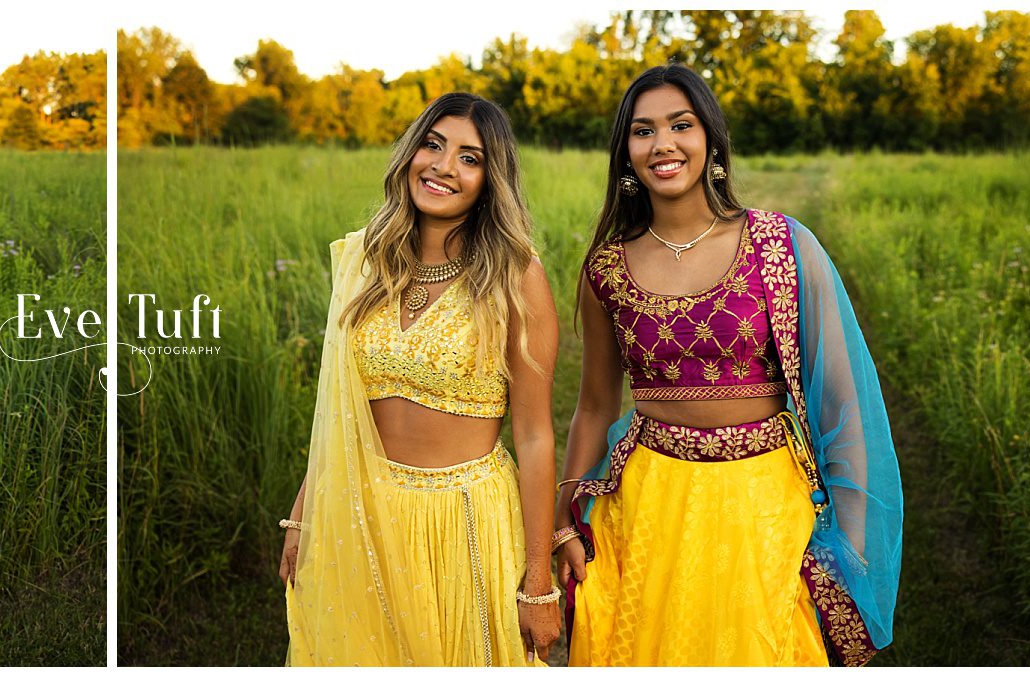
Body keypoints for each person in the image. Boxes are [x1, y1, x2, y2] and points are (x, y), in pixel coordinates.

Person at [557, 63, 902, 666]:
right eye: (643, 131)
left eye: (680, 125)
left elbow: (842, 405)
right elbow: (592, 407)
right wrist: (563, 524)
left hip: (762, 504)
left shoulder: (781, 245)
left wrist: (848, 546)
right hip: (646, 505)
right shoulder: (606, 269)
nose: (662, 145)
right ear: (626, 152)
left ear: (710, 139)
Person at [280, 93, 561, 666]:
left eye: (469, 157)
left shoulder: (514, 275)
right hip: (360, 511)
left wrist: (540, 583)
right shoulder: (365, 262)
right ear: (410, 153)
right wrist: (306, 509)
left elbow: (535, 436)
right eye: (432, 145)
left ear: (491, 180)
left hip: (465, 520)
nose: (442, 166)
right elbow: (339, 409)